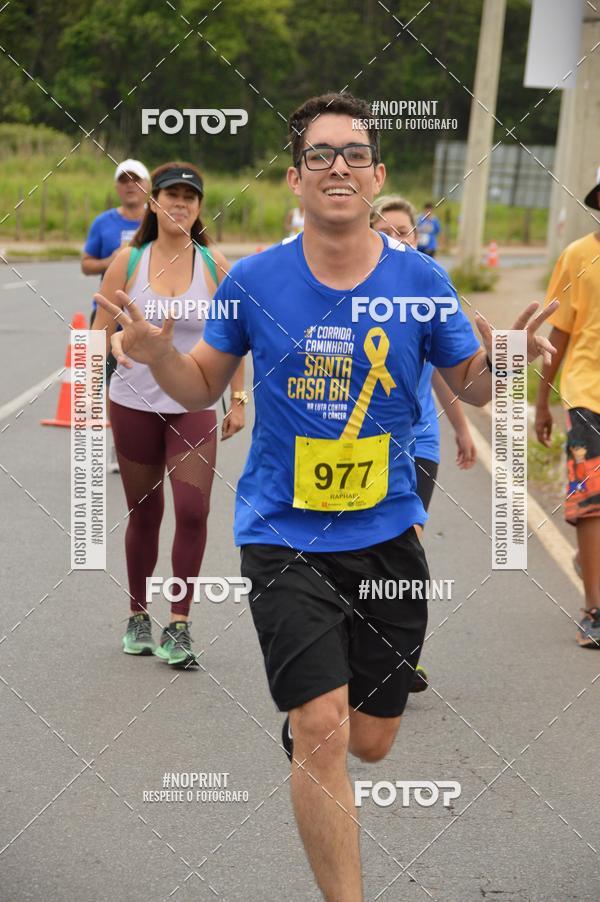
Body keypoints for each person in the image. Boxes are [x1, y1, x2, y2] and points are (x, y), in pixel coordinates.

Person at [96, 94, 556, 902]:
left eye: (354, 154)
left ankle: (323, 732)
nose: (337, 165)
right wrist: (158, 355)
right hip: (284, 537)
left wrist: (520, 360)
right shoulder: (256, 280)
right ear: (294, 178)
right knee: (323, 732)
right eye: (320, 154)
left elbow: (474, 388)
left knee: (371, 742)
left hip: (387, 538)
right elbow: (201, 384)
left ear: (377, 177)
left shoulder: (421, 281)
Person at [92, 161, 246, 668]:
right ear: (153, 201)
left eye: (190, 197)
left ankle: (179, 622)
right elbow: (99, 331)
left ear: (200, 207)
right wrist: (113, 342)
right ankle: (138, 611)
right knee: (145, 511)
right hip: (133, 401)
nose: (179, 203)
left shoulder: (214, 263)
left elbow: (235, 338)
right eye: (170, 195)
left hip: (194, 403)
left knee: (194, 510)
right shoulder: (127, 260)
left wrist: (238, 397)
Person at [370, 195, 477, 692]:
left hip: (421, 442)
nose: (398, 239)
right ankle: (366, 641)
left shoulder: (426, 286)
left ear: (418, 236)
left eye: (405, 231)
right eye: (387, 231)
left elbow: (443, 376)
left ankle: (402, 655)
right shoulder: (358, 286)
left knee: (406, 539)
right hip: (368, 443)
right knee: (368, 548)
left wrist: (461, 427)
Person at [535, 168, 600, 648]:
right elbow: (558, 334)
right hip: (587, 397)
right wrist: (542, 402)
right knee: (591, 504)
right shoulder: (579, 256)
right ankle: (594, 610)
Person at [82, 159, 151, 472]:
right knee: (114, 383)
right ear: (117, 187)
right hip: (111, 315)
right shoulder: (104, 223)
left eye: (135, 180)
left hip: (150, 315)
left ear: (147, 185)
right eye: (123, 180)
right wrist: (110, 260)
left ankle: (156, 441)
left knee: (153, 380)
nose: (129, 186)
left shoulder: (157, 220)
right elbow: (86, 264)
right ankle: (121, 444)